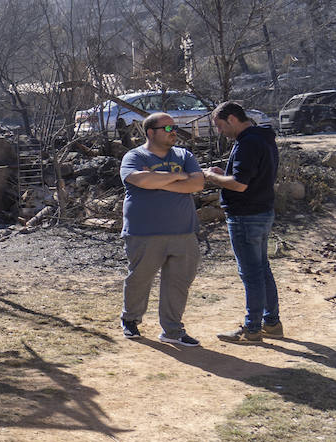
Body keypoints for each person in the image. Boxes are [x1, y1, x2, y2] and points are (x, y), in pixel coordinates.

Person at [119, 112, 207, 346]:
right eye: (167, 129)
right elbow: (141, 181)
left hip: (184, 232)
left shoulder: (184, 155)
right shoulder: (134, 156)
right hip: (144, 232)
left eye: (174, 128)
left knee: (178, 284)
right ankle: (130, 319)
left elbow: (197, 183)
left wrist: (159, 180)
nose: (173, 132)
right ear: (151, 132)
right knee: (140, 278)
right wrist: (179, 178)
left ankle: (172, 330)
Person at [205, 101, 281, 343]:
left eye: (220, 126)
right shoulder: (263, 138)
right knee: (262, 269)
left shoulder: (247, 143)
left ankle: (252, 328)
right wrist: (223, 175)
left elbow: (239, 184)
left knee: (251, 274)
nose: (220, 131)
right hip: (262, 212)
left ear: (232, 119)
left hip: (246, 216)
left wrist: (212, 178)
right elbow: (247, 177)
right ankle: (271, 323)